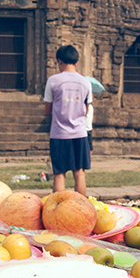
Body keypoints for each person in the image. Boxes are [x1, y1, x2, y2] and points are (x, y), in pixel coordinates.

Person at [43, 45, 93, 195]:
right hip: (80, 133)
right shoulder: (86, 82)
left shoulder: (53, 81)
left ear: (59, 61)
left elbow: (47, 110)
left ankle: (59, 208)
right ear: (76, 62)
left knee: (59, 174)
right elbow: (86, 110)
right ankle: (80, 208)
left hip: (59, 134)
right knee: (79, 173)